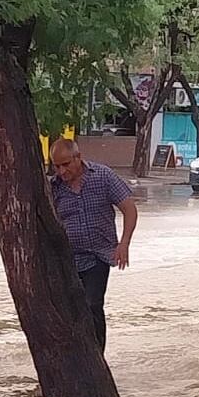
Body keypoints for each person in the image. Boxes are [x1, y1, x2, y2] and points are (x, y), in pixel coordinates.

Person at [49, 138, 138, 352]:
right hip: (67, 260)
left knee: (92, 304)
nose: (61, 171)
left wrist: (124, 244)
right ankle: (77, 355)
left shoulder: (103, 176)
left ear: (78, 158)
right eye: (57, 166)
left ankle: (98, 354)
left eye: (66, 164)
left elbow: (129, 209)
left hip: (98, 256)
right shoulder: (53, 188)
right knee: (69, 312)